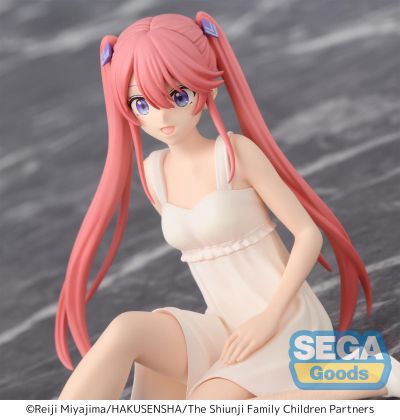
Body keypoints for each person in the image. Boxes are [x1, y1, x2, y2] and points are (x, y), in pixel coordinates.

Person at [55, 12, 400, 400]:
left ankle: (369, 374)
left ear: (209, 91)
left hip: (282, 320)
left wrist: (268, 318)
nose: (162, 116)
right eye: (141, 103)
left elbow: (307, 234)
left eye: (178, 96)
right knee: (126, 329)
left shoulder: (235, 155)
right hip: (223, 327)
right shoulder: (153, 173)